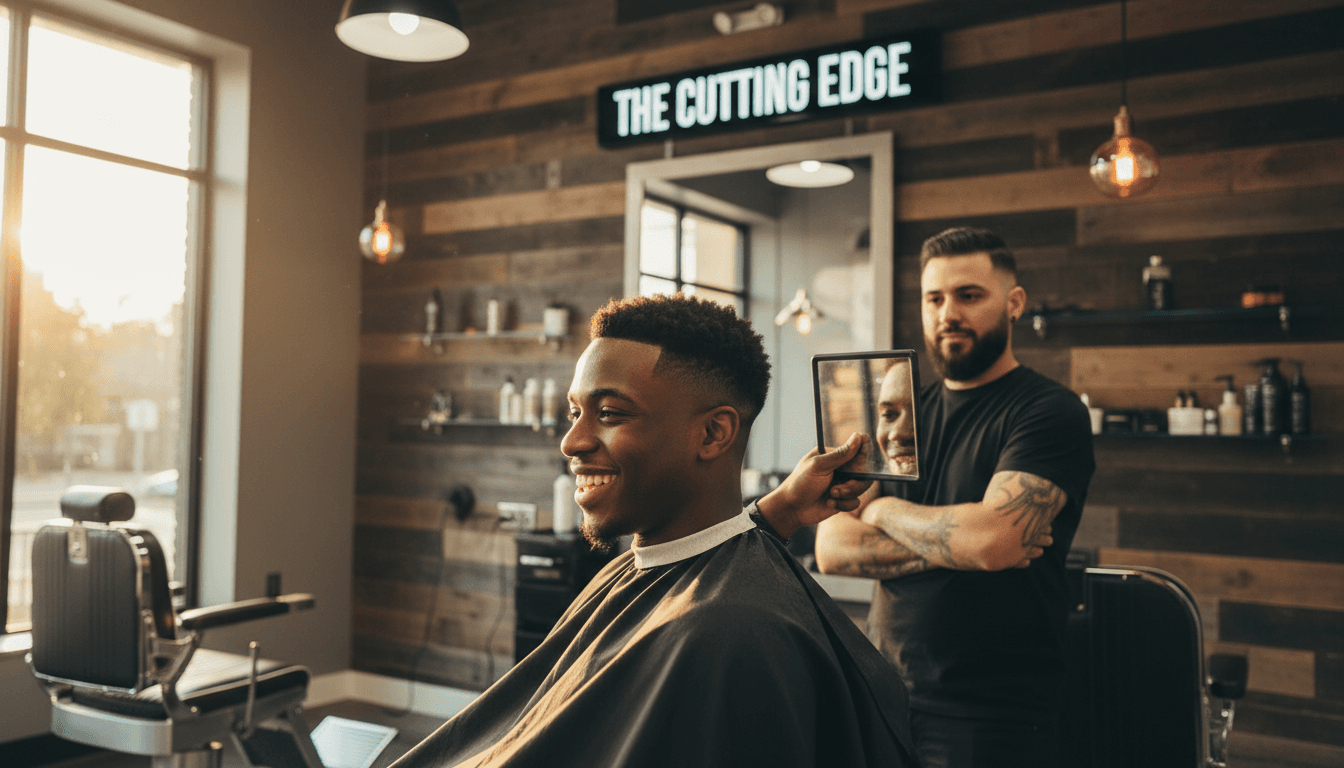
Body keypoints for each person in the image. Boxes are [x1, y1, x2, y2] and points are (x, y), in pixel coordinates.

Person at [391, 294, 918, 768]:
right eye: (575, 412)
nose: (571, 442)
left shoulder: (727, 633)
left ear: (713, 433)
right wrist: (773, 510)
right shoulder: (648, 570)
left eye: (610, 413)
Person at [766, 227, 1096, 768]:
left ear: (1013, 304)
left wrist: (882, 510)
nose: (948, 314)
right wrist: (961, 543)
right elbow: (834, 545)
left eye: (969, 296)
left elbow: (992, 540)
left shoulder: (1048, 412)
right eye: (934, 298)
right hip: (883, 688)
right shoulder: (904, 411)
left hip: (993, 714)